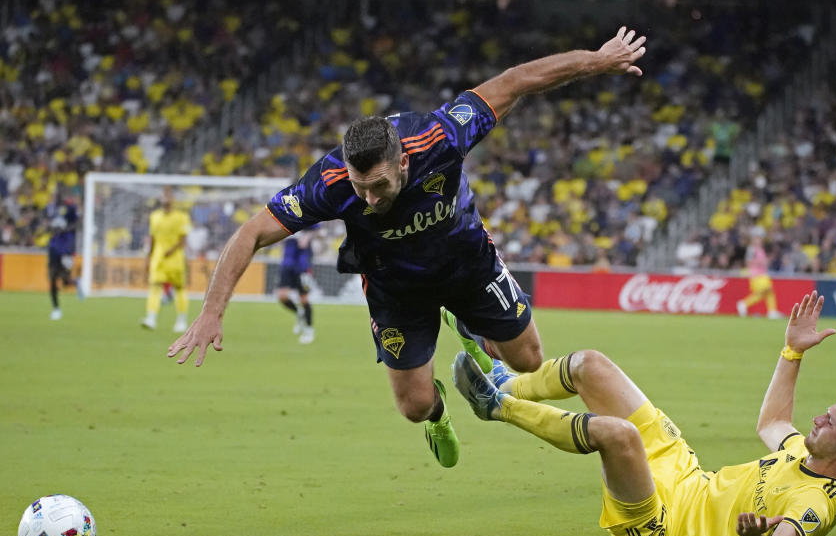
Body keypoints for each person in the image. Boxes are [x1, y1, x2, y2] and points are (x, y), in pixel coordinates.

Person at [168, 27, 649, 469]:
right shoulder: (330, 183)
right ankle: (441, 415)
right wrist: (212, 310)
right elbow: (250, 232)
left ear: (403, 160)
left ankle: (466, 325)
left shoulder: (441, 135)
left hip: (467, 263)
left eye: (378, 185)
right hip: (396, 289)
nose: (369, 198)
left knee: (526, 360)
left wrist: (596, 60)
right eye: (360, 188)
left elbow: (516, 80)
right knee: (414, 408)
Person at [452, 292, 836, 536]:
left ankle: (498, 406)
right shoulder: (804, 451)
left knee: (618, 435)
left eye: (829, 421)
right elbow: (773, 423)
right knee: (590, 365)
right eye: (826, 411)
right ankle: (507, 379)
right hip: (683, 472)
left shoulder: (816, 503)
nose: (816, 419)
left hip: (664, 527)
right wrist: (792, 353)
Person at [142, 188, 192, 332]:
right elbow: (152, 239)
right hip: (158, 259)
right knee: (155, 287)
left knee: (179, 288)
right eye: (163, 197)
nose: (165, 199)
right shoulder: (154, 216)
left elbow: (183, 240)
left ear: (172, 200)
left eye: (168, 197)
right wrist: (148, 256)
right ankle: (151, 318)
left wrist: (171, 250)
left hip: (175, 259)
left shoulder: (181, 217)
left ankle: (181, 320)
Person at [277, 229, 317, 345]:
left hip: (302, 265)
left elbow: (317, 228)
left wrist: (308, 236)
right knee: (282, 296)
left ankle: (309, 330)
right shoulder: (283, 214)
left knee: (304, 299)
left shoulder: (307, 214)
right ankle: (299, 312)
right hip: (287, 263)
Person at [46, 196, 82, 320]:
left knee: (65, 281)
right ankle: (56, 309)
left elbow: (78, 223)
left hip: (66, 249)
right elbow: (48, 224)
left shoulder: (71, 208)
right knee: (52, 278)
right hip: (53, 248)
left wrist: (66, 229)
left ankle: (77, 282)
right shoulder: (51, 207)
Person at [736, 228, 781, 319]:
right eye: (758, 238)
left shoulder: (759, 249)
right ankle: (745, 303)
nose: (760, 240)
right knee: (768, 290)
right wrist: (761, 262)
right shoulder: (752, 249)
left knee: (767, 292)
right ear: (754, 239)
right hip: (756, 275)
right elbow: (748, 262)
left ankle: (770, 311)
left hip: (761, 274)